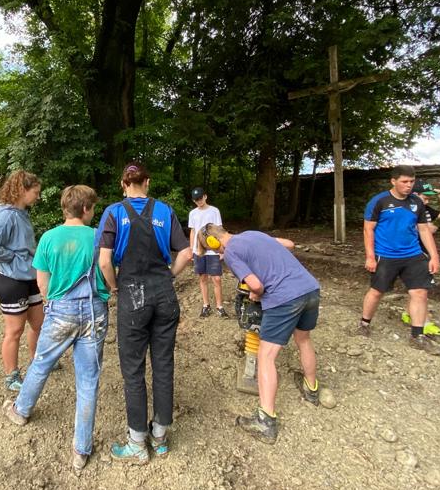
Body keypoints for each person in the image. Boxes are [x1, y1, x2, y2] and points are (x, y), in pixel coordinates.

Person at [2, 185, 110, 471]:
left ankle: (21, 411)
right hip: (94, 311)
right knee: (88, 379)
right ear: (86, 209)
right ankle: (81, 449)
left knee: (41, 363)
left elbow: (42, 283)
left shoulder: (49, 238)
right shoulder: (99, 236)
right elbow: (109, 269)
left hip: (60, 310)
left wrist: (51, 303)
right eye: (93, 207)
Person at [97, 162, 192, 465]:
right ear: (147, 182)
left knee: (133, 369)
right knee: (163, 363)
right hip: (164, 293)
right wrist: (171, 276)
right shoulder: (165, 210)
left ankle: (137, 442)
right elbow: (186, 252)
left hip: (132, 293)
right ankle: (160, 436)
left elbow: (104, 261)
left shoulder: (113, 212)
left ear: (122, 184)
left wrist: (114, 287)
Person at [199, 224, 320, 444]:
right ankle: (312, 389)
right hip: (310, 288)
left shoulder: (232, 252)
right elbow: (289, 244)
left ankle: (265, 420)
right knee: (303, 339)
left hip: (285, 298)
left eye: (213, 249)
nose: (217, 253)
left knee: (266, 356)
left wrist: (256, 294)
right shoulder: (252, 234)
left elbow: (256, 284)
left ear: (214, 243)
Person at [356, 165, 440, 356]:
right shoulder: (379, 201)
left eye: (411, 182)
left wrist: (434, 256)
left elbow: (424, 230)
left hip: (413, 254)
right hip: (386, 255)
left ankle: (417, 336)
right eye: (404, 181)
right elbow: (368, 229)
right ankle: (364, 323)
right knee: (377, 292)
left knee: (420, 292)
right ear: (393, 181)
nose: (409, 185)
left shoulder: (416, 203)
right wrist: (370, 256)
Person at [0, 170, 46, 392]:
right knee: (14, 331)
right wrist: (12, 258)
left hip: (29, 277)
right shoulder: (7, 214)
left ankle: (38, 361)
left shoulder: (21, 213)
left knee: (38, 324)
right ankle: (12, 376)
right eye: (35, 192)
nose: (38, 196)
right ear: (21, 190)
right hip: (11, 281)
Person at [401, 180, 440, 337]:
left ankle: (408, 314)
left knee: (417, 289)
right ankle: (426, 323)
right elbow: (429, 229)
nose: (428, 200)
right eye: (426, 197)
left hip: (425, 253)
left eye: (430, 197)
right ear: (415, 195)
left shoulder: (426, 209)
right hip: (414, 254)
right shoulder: (409, 211)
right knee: (421, 290)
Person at [188, 187, 228, 318]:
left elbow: (219, 230)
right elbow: (193, 231)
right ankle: (206, 305)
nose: (198, 201)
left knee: (216, 278)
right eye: (196, 200)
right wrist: (191, 249)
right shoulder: (193, 213)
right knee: (203, 277)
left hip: (213, 248)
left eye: (200, 198)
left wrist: (222, 249)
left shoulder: (214, 211)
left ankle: (220, 306)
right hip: (199, 249)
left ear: (205, 196)